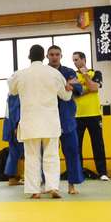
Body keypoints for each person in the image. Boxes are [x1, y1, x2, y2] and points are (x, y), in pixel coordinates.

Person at [9, 45, 72, 199]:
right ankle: (53, 187)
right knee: (52, 155)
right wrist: (70, 88)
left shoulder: (20, 74)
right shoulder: (54, 73)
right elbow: (65, 96)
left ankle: (34, 190)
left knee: (32, 156)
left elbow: (12, 90)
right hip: (50, 121)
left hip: (30, 122)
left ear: (29, 56)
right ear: (44, 56)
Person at [48, 45, 84, 194]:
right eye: (51, 54)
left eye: (57, 54)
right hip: (48, 117)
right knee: (48, 154)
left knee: (72, 151)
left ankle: (72, 185)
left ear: (61, 56)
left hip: (66, 117)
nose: (54, 57)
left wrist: (72, 87)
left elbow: (79, 89)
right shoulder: (44, 73)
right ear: (47, 56)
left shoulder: (69, 72)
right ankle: (48, 185)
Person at [72, 52, 109, 181]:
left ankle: (102, 172)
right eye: (73, 60)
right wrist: (89, 88)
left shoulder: (96, 73)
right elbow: (74, 94)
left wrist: (86, 76)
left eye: (76, 59)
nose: (75, 62)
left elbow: (94, 87)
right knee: (76, 145)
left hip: (94, 115)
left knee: (98, 144)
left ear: (83, 59)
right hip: (77, 116)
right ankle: (78, 172)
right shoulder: (72, 75)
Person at [2, 93, 24, 185]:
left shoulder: (10, 94)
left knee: (13, 152)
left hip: (9, 125)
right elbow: (16, 111)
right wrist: (16, 126)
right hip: (15, 127)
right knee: (23, 152)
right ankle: (18, 177)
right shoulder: (16, 94)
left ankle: (12, 178)